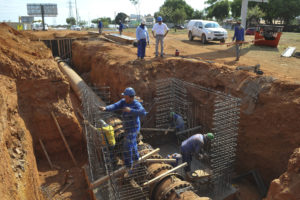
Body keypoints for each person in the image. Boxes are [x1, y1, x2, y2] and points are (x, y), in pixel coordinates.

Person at [99, 87, 147, 171]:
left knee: (127, 146)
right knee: (132, 143)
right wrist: (106, 108)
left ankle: (129, 166)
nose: (124, 97)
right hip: (127, 126)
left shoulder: (136, 104)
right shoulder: (123, 102)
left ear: (130, 97)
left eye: (126, 96)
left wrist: (131, 110)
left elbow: (143, 112)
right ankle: (136, 159)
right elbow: (115, 105)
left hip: (134, 128)